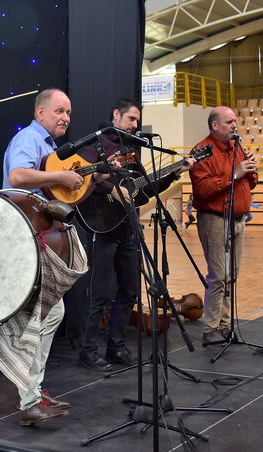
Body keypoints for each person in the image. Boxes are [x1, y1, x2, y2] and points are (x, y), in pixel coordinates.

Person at [73, 99, 193, 370]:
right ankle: (88, 350)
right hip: (102, 227)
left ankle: (116, 345)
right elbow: (82, 180)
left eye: (137, 121)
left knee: (129, 291)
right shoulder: (97, 146)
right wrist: (111, 190)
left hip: (128, 228)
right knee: (100, 292)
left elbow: (142, 191)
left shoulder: (131, 151)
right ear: (116, 115)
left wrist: (176, 173)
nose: (135, 125)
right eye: (131, 119)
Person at [1, 88, 81, 424]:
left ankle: (32, 394)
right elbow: (18, 177)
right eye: (59, 111)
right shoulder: (29, 139)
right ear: (40, 113)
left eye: (68, 113)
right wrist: (60, 177)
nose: (65, 118)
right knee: (46, 313)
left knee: (49, 313)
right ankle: (29, 397)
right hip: (20, 237)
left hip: (33, 237)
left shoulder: (49, 147)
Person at [189, 106, 258, 344]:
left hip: (238, 220)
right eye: (229, 122)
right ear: (215, 126)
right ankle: (210, 330)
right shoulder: (201, 151)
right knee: (219, 276)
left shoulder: (236, 147)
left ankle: (225, 325)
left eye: (235, 121)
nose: (235, 125)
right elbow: (204, 189)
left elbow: (251, 183)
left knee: (232, 276)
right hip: (215, 220)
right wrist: (236, 174)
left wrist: (250, 170)